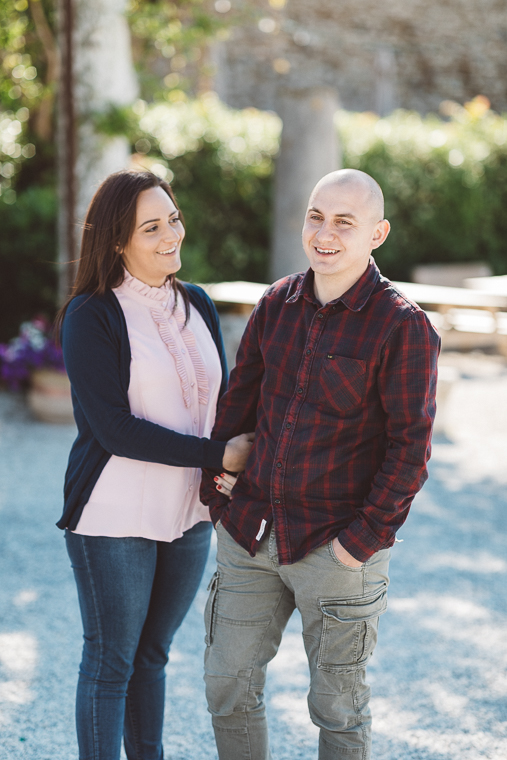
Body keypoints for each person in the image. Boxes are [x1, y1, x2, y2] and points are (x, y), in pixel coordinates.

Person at [201, 168, 441, 760]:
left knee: (338, 706)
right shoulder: (275, 304)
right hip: (250, 533)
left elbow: (410, 448)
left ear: (377, 233)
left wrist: (360, 543)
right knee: (226, 686)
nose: (325, 234)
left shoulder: (403, 327)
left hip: (337, 548)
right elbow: (238, 407)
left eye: (344, 222)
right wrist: (219, 495)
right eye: (315, 216)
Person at [55, 170, 253, 760]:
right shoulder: (91, 315)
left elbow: (220, 406)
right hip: (112, 516)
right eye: (151, 227)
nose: (171, 235)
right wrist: (217, 455)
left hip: (188, 512)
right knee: (110, 660)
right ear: (117, 241)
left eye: (174, 219)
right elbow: (112, 428)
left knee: (153, 655)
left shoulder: (196, 303)